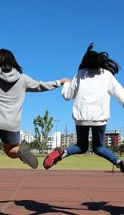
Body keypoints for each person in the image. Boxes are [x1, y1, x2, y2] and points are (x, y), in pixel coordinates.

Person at [0, 35, 69, 171]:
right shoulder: (23, 79)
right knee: (11, 150)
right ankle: (20, 152)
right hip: (11, 124)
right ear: (13, 62)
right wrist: (59, 82)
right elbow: (41, 86)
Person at [43, 43, 124, 172]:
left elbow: (67, 96)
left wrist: (66, 83)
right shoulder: (107, 75)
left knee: (81, 146)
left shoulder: (80, 74)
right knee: (98, 147)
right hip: (99, 118)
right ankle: (119, 162)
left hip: (81, 118)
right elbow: (122, 95)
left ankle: (62, 153)